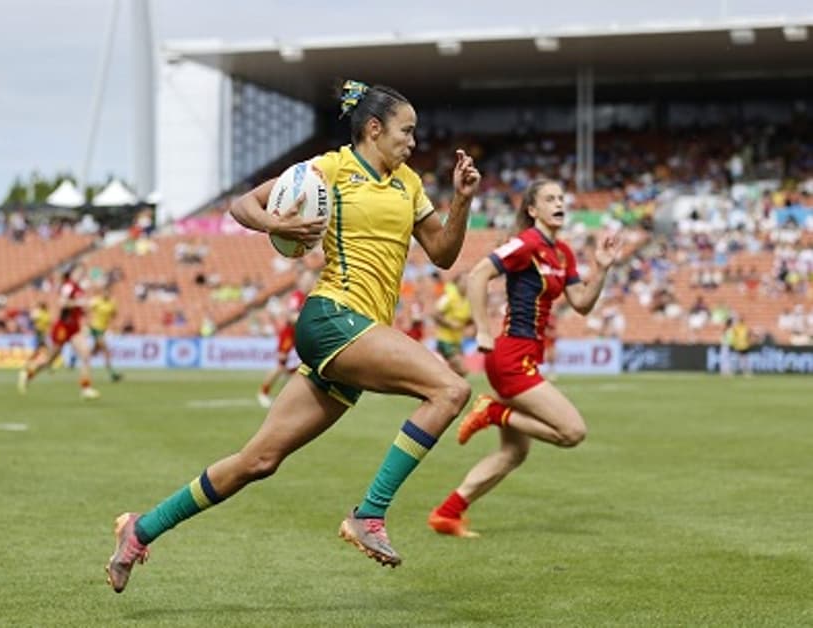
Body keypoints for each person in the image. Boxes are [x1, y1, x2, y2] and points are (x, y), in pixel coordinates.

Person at [105, 79, 482, 593]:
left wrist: (460, 201)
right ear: (374, 128)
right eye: (406, 131)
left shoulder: (408, 184)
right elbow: (242, 206)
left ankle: (139, 530)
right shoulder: (330, 169)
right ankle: (369, 514)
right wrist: (276, 224)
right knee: (450, 389)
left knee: (257, 461)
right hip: (334, 317)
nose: (414, 141)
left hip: (356, 332)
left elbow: (442, 253)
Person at [427, 179, 620, 538]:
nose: (559, 202)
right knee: (572, 431)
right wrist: (482, 328)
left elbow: (581, 304)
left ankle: (447, 513)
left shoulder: (562, 252)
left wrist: (603, 268)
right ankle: (493, 411)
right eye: (550, 198)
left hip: (525, 357)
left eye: (562, 197)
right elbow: (478, 274)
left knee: (513, 454)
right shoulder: (527, 243)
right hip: (511, 357)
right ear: (532, 210)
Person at [18, 263, 100, 399]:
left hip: (75, 327)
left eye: (82, 272)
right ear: (72, 273)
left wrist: (86, 309)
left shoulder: (79, 289)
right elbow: (62, 303)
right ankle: (28, 373)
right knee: (50, 360)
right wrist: (80, 303)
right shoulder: (68, 286)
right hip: (63, 327)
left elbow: (78, 309)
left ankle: (86, 388)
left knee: (85, 354)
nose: (81, 275)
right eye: (79, 272)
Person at [257, 269, 316, 408]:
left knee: (300, 367)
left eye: (311, 279)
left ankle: (289, 396)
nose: (310, 282)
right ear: (302, 281)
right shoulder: (297, 296)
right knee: (281, 365)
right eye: (307, 279)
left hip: (299, 333)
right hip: (289, 334)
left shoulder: (309, 297)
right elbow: (291, 316)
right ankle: (263, 392)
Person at [432, 272, 473, 376]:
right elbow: (435, 314)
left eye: (468, 281)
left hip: (458, 340)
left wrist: (472, 326)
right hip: (445, 339)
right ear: (457, 283)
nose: (466, 284)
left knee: (458, 374)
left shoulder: (467, 300)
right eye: (463, 281)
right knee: (462, 370)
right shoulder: (449, 297)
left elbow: (467, 320)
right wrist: (450, 324)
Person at [87, 285, 122, 382]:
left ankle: (78, 359)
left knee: (94, 351)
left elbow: (114, 314)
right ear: (102, 292)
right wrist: (88, 321)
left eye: (108, 292)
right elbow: (87, 310)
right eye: (104, 292)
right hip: (95, 328)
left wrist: (113, 324)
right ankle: (112, 374)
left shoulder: (112, 303)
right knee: (105, 350)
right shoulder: (96, 301)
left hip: (103, 329)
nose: (106, 294)